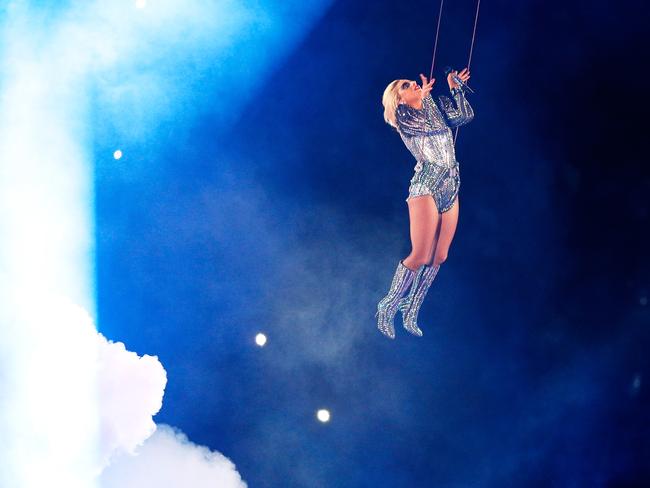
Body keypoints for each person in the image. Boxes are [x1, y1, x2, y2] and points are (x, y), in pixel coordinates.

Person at [376, 68, 474, 339]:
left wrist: (455, 88)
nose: (414, 85)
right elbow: (430, 125)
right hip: (427, 185)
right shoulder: (404, 119)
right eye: (406, 85)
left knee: (439, 256)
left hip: (451, 183)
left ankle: (411, 309)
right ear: (399, 99)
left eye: (411, 82)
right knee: (419, 255)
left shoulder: (433, 109)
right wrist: (428, 99)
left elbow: (465, 116)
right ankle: (388, 305)